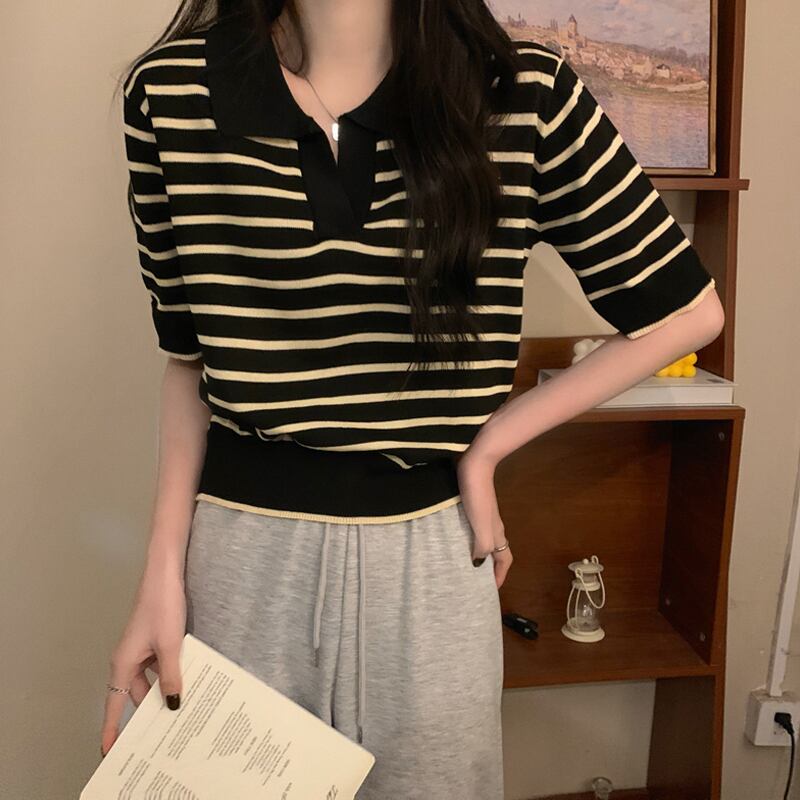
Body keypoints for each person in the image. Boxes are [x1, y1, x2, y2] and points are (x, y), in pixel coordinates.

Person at [102, 1, 725, 797]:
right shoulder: (171, 95)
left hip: (430, 563)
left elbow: (686, 312)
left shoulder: (521, 93)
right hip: (242, 561)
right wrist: (160, 572)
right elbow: (191, 362)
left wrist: (489, 445)